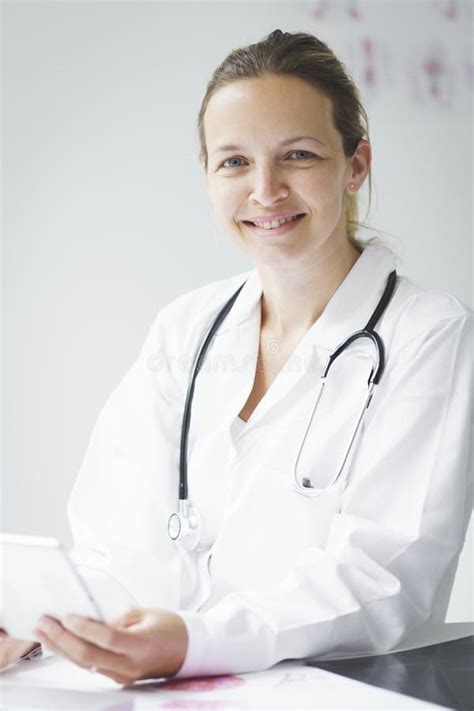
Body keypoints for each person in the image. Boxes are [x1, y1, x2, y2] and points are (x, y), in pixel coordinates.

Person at [1, 29, 472, 684]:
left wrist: (198, 638)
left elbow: (383, 577)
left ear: (356, 163)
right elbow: (113, 546)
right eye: (233, 162)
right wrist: (41, 625)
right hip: (177, 691)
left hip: (345, 692)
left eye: (299, 155)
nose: (266, 189)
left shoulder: (428, 334)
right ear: (207, 176)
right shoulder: (185, 330)